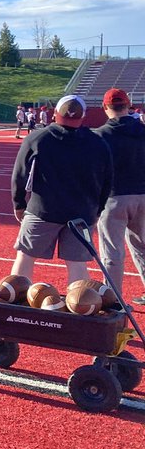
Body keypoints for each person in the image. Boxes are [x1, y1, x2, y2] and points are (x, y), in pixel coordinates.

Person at [9, 94, 113, 285]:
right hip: (82, 213)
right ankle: (80, 307)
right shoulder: (98, 143)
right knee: (77, 265)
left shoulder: (38, 138)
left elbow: (20, 174)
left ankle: (15, 303)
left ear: (56, 113)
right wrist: (97, 210)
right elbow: (107, 181)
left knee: (25, 257)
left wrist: (19, 203)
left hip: (43, 210)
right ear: (83, 117)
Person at [93, 88, 145, 305]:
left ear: (105, 108)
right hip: (143, 195)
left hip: (113, 199)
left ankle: (114, 301)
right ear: (128, 105)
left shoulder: (100, 135)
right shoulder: (142, 130)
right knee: (142, 246)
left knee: (112, 254)